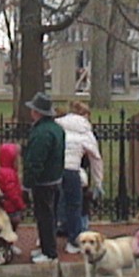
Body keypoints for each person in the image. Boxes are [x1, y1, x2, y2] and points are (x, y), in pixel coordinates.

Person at [55, 101, 104, 255]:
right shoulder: (85, 132)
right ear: (84, 116)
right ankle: (73, 241)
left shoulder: (57, 125)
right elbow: (96, 158)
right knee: (74, 206)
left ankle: (47, 238)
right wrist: (98, 181)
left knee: (52, 204)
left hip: (54, 169)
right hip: (72, 169)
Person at [22, 92, 65, 265]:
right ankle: (47, 247)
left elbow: (35, 161)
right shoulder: (57, 129)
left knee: (44, 217)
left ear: (37, 112)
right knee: (50, 216)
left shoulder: (41, 133)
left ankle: (49, 252)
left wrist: (27, 184)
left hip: (43, 182)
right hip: (55, 179)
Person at [0, 143, 26, 249]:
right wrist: (20, 205)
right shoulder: (9, 173)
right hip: (11, 206)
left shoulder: (3, 171)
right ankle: (7, 245)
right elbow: (12, 192)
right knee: (11, 225)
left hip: (7, 204)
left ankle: (7, 244)